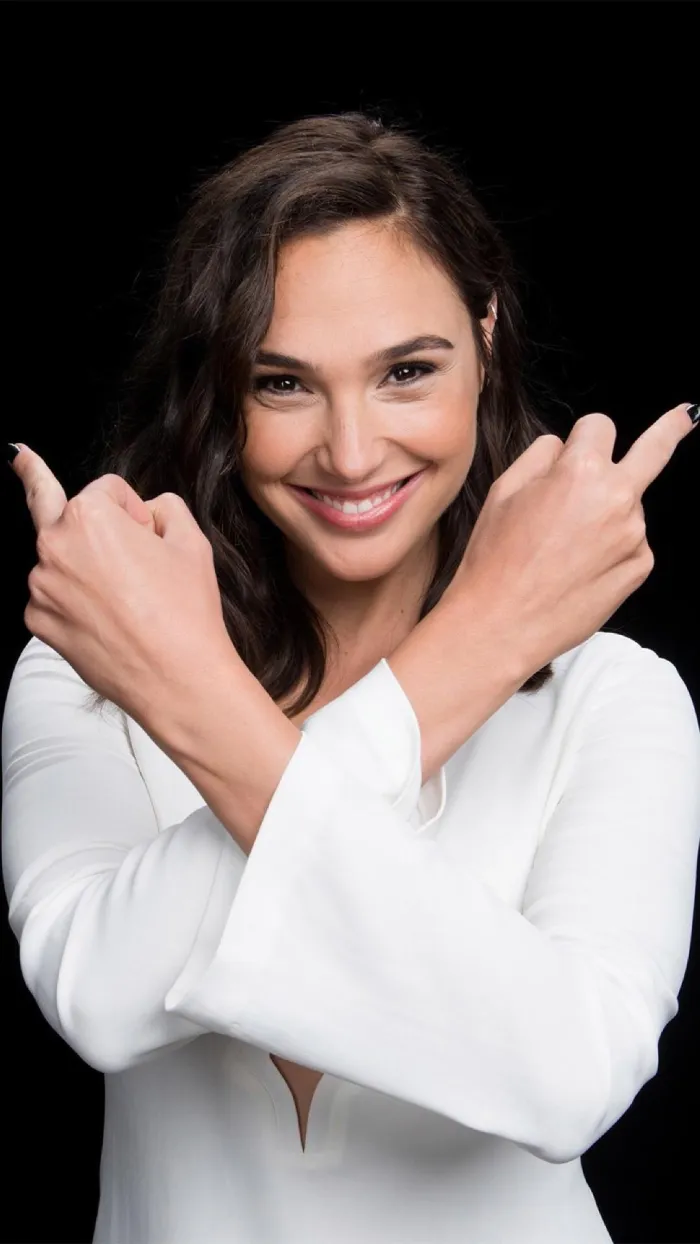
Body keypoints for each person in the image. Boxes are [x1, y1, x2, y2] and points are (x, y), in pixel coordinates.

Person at [3, 111, 700, 1244]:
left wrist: (203, 706)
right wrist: (466, 656)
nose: (353, 451)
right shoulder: (93, 666)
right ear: (221, 385)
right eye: (282, 382)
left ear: (485, 337)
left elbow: (568, 1079)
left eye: (406, 372)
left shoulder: (614, 699)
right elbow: (99, 994)